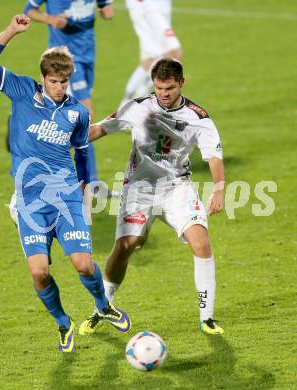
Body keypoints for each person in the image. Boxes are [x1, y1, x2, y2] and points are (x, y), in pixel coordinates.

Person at [0, 14, 130, 352]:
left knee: (84, 264)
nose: (60, 88)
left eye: (65, 82)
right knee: (40, 273)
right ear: (43, 78)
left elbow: (82, 150)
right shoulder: (22, 91)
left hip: (66, 198)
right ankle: (63, 323)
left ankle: (103, 306)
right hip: (30, 202)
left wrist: (88, 185)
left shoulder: (77, 112)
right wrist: (12, 31)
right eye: (55, 81)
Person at [79, 58, 225, 336]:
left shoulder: (198, 117)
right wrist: (69, 143)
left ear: (182, 83)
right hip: (139, 188)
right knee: (126, 244)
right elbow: (100, 127)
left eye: (169, 88)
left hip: (176, 188)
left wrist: (219, 188)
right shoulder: (139, 108)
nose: (164, 94)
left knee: (201, 241)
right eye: (159, 88)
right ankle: (102, 308)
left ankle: (207, 318)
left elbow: (214, 156)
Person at [23, 0, 115, 191]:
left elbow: (106, 8)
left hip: (88, 54)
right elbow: (29, 10)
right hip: (66, 60)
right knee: (86, 115)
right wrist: (50, 19)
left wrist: (106, 10)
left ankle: (87, 181)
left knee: (78, 122)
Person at [120, 0, 182, 107]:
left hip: (159, 8)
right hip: (149, 8)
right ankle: (134, 98)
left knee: (152, 58)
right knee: (173, 53)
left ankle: (132, 101)